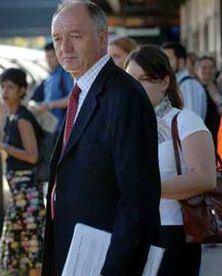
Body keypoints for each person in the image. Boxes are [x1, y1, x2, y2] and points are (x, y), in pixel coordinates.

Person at [42, 1, 161, 275]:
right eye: (58, 38)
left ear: (102, 38)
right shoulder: (81, 93)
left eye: (75, 36)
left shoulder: (124, 96)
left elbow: (137, 201)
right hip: (73, 256)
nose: (64, 47)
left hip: (105, 262)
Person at [125, 45, 216, 276]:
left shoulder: (185, 120)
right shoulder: (126, 125)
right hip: (132, 229)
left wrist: (148, 189)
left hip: (174, 231)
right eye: (129, 79)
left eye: (142, 79)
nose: (134, 86)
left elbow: (205, 178)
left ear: (164, 82)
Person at [0, 68, 45, 276]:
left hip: (27, 195)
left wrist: (4, 147)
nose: (5, 91)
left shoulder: (22, 118)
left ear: (22, 90)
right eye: (2, 86)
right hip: (18, 196)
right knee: (22, 249)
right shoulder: (11, 117)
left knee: (31, 249)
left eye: (10, 87)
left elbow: (32, 156)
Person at [161, 42, 207, 120]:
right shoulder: (179, 84)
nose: (163, 63)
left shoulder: (189, 85)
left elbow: (192, 121)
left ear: (181, 62)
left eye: (168, 59)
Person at [36, 42, 74, 133]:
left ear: (58, 55)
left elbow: (72, 98)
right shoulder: (49, 77)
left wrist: (50, 105)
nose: (48, 60)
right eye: (47, 57)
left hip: (62, 127)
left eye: (51, 56)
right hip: (50, 126)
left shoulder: (66, 74)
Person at [196, 55, 222, 143]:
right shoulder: (194, 89)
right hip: (200, 137)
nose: (208, 71)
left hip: (217, 138)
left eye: (211, 67)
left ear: (215, 70)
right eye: (204, 68)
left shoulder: (220, 88)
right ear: (197, 70)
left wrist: (217, 98)